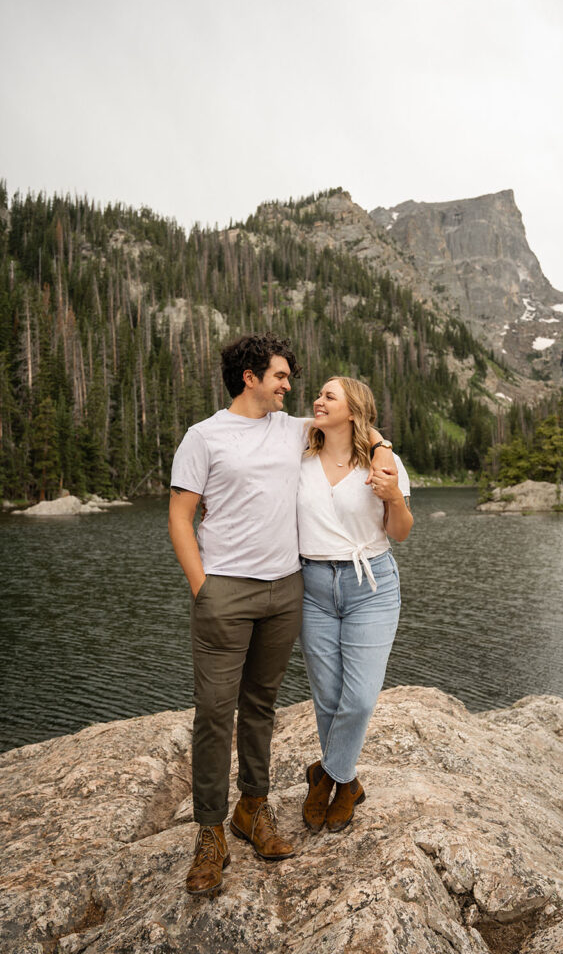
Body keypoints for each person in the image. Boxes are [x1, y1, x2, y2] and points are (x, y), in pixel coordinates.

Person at [168, 335, 394, 895]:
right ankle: (209, 834)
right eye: (280, 377)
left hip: (286, 592)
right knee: (215, 713)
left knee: (261, 706)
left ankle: (254, 809)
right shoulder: (203, 438)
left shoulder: (295, 430)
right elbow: (180, 517)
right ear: (250, 377)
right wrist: (203, 588)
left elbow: (355, 426)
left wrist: (384, 448)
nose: (289, 386)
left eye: (291, 378)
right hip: (225, 592)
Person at [297, 377, 413, 834]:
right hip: (312, 586)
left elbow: (400, 531)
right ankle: (347, 784)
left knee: (360, 697)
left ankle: (328, 775)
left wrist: (394, 497)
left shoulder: (386, 465)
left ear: (352, 410)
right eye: (319, 395)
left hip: (372, 586)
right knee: (328, 698)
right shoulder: (299, 458)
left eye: (329, 396)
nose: (317, 401)